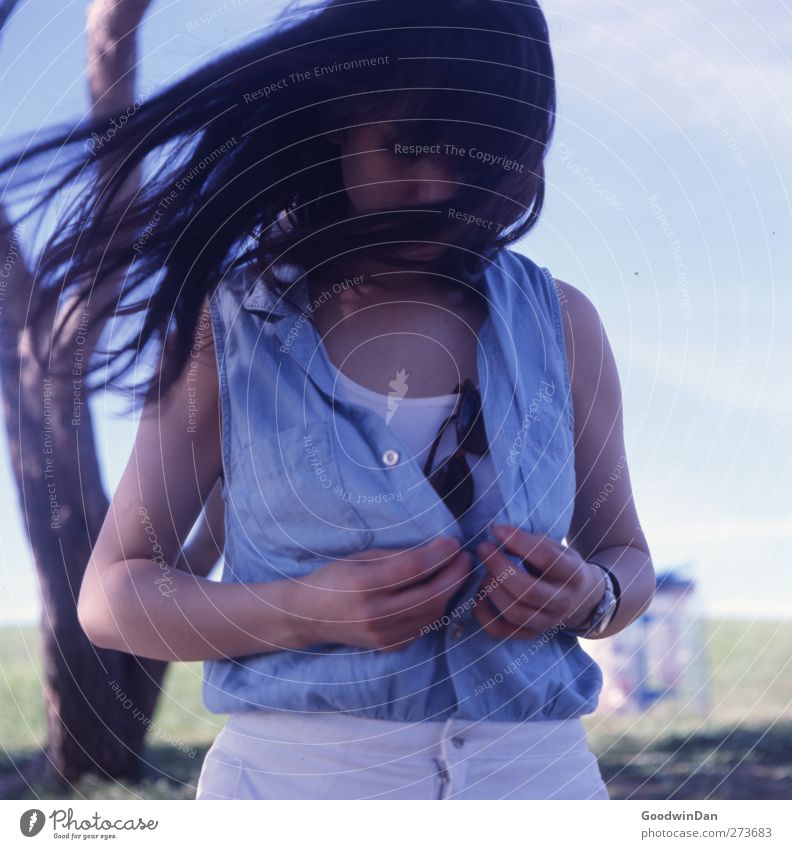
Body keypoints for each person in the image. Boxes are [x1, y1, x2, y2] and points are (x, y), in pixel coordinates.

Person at [1, 0, 655, 799]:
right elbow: (113, 596)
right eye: (406, 142)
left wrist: (594, 595)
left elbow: (626, 556)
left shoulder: (565, 325)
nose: (442, 182)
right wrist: (299, 610)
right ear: (338, 121)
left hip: (545, 789)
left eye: (483, 155)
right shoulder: (228, 329)